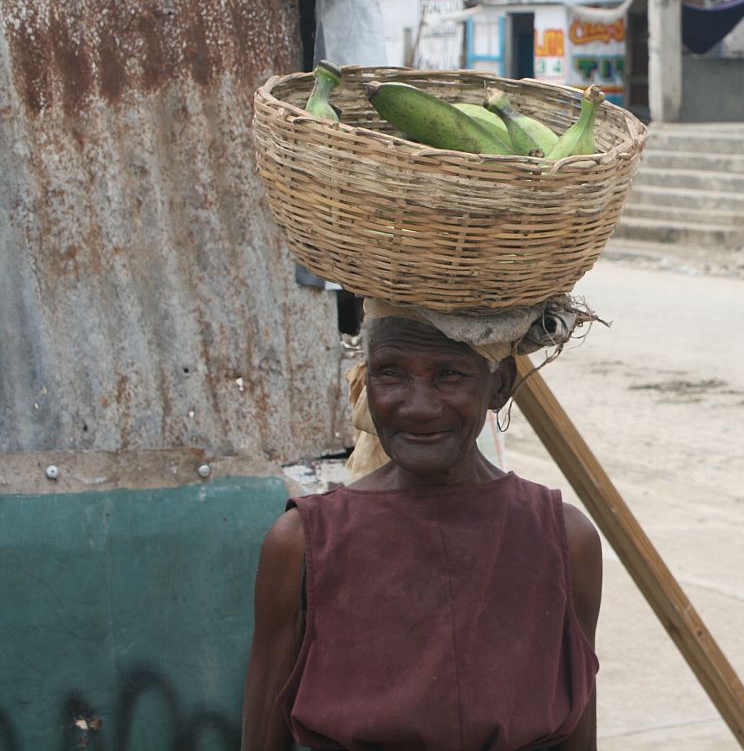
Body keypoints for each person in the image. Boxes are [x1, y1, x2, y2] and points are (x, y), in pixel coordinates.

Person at [241, 312, 602, 751]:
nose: (417, 406)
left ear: (501, 383)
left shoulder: (565, 540)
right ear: (364, 380)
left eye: (448, 375)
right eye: (390, 374)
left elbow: (580, 732)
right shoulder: (299, 543)